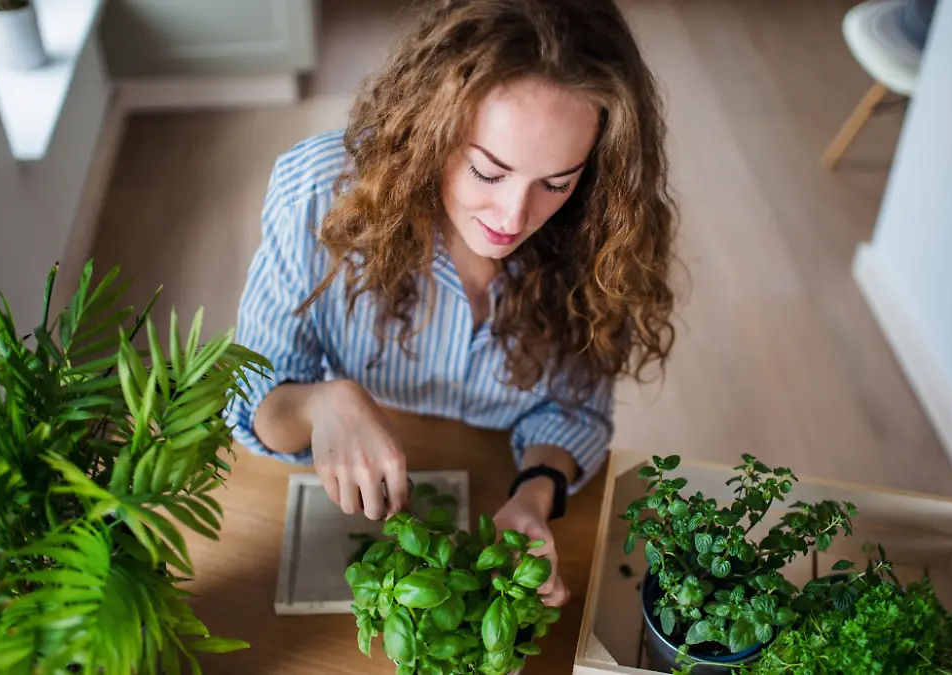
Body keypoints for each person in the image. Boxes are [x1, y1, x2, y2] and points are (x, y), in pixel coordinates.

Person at [226, 0, 676, 608]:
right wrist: (320, 403)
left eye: (557, 183)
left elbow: (573, 412)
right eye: (488, 172)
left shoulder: (604, 230)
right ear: (430, 128)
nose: (514, 218)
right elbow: (251, 395)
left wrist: (535, 492)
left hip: (493, 472)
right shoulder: (317, 195)